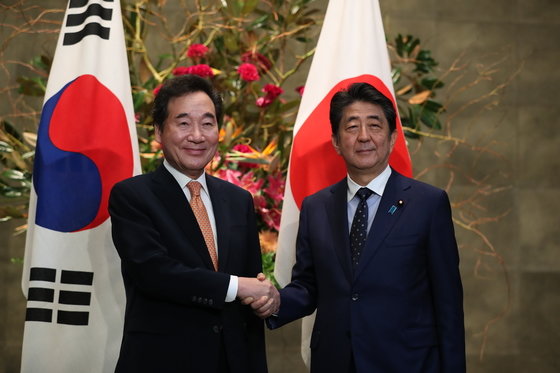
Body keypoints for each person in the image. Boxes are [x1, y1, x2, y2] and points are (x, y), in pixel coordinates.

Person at [261, 82, 466, 372]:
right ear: (335, 140)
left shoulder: (428, 204)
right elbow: (309, 287)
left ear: (392, 137)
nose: (364, 137)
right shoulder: (316, 207)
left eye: (375, 125)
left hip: (408, 363)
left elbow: (448, 305)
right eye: (352, 127)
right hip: (335, 361)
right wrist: (273, 300)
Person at [108, 74, 279, 373]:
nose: (197, 136)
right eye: (184, 123)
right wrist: (237, 286)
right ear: (159, 131)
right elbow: (153, 272)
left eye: (208, 123)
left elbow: (252, 286)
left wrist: (267, 298)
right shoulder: (132, 196)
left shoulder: (238, 200)